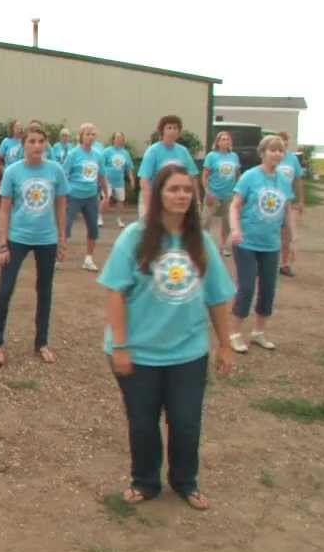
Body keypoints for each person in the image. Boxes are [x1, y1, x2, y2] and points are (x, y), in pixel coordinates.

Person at [100, 164, 235, 511]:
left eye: (187, 190)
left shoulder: (200, 241)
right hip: (139, 352)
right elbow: (115, 293)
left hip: (187, 353)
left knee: (186, 422)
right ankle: (145, 481)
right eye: (173, 189)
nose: (181, 196)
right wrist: (121, 345)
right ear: (159, 194)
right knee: (143, 422)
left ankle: (185, 481)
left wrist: (225, 344)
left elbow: (218, 296)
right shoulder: (135, 236)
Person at [0, 123, 68, 366]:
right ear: (22, 146)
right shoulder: (13, 172)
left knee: (45, 291)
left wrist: (62, 239)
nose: (36, 146)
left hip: (47, 239)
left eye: (40, 142)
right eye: (31, 142)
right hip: (17, 239)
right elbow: (4, 210)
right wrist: (3, 245)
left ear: (46, 145)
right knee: (5, 290)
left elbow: (62, 206)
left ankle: (41, 343)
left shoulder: (55, 171)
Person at [227, 135, 290, 352]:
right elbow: (235, 206)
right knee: (246, 287)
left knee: (268, 289)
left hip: (271, 244)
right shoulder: (249, 177)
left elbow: (285, 211)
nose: (277, 154)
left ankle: (259, 332)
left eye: (280, 150)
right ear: (262, 152)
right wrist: (235, 230)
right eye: (272, 150)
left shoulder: (283, 180)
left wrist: (290, 237)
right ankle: (234, 333)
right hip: (246, 242)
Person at [63, 123, 109, 271]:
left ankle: (88, 259)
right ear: (81, 136)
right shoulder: (73, 154)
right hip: (74, 196)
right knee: (66, 227)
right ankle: (59, 256)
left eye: (93, 134)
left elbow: (101, 176)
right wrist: (63, 196)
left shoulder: (98, 155)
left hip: (91, 197)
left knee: (93, 228)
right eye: (87, 134)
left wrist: (106, 194)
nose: (90, 137)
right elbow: (64, 175)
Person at [138, 115, 199, 218]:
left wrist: (196, 200)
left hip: (175, 198)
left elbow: (192, 177)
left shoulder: (183, 151)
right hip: (155, 197)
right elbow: (144, 181)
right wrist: (149, 208)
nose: (172, 131)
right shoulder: (153, 151)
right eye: (169, 128)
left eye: (175, 128)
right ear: (162, 131)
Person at [201, 131, 240, 256]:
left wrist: (237, 192)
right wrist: (208, 192)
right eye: (223, 139)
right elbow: (205, 176)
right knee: (205, 221)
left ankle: (223, 246)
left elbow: (237, 175)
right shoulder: (211, 156)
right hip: (213, 194)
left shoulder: (234, 156)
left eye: (227, 139)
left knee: (227, 222)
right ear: (217, 142)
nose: (226, 141)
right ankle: (204, 246)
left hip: (229, 195)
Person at [276, 131, 305, 277]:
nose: (284, 143)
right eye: (281, 140)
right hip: (273, 201)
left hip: (288, 201)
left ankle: (285, 264)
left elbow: (298, 180)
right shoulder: (273, 157)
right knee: (269, 232)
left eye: (286, 140)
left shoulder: (292, 159)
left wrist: (300, 200)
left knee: (287, 234)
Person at [101, 132, 135, 229]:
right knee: (106, 199)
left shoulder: (125, 153)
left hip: (119, 181)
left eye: (122, 138)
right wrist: (102, 178)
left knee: (120, 201)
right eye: (118, 138)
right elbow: (101, 165)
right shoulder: (107, 151)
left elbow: (129, 168)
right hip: (108, 180)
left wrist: (132, 180)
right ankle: (99, 217)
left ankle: (119, 219)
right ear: (113, 140)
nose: (120, 140)